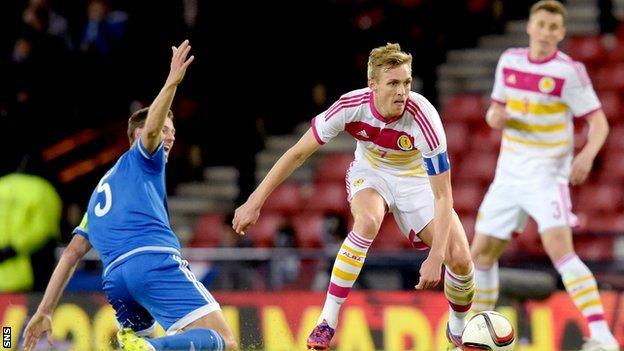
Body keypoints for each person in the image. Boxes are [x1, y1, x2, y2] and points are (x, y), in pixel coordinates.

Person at [233, 43, 474, 350]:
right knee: (368, 222)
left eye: (406, 83)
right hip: (371, 171)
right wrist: (255, 202)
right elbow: (297, 154)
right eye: (393, 83)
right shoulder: (350, 106)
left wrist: (436, 257)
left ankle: (457, 332)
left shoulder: (424, 119)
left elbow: (443, 195)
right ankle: (326, 322)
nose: (402, 92)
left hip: (416, 181)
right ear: (372, 85)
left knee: (461, 261)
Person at [22, 40, 238, 351]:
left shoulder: (101, 191)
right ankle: (153, 347)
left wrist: (44, 310)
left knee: (148, 341)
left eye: (172, 133)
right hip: (153, 261)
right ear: (137, 135)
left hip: (116, 282)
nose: (169, 137)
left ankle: (143, 343)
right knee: (227, 343)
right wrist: (172, 82)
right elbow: (150, 132)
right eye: (164, 129)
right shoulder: (142, 157)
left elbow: (70, 254)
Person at [470, 2, 619, 351]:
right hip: (508, 173)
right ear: (531, 27)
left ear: (561, 33)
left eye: (554, 27)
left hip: (546, 174)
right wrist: (496, 117)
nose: (547, 31)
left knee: (560, 250)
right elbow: (497, 109)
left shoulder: (570, 72)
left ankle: (602, 335)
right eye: (541, 24)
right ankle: (478, 335)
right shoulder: (509, 61)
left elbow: (599, 122)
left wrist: (586, 155)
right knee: (482, 254)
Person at [0, 172, 61, 292]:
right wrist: (13, 248)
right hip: (30, 276)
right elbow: (43, 229)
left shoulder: (2, 186)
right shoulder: (42, 189)